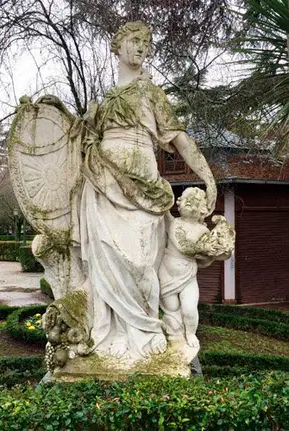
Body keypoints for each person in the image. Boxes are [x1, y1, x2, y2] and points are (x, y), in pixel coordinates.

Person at [79, 22, 216, 360]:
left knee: (141, 262)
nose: (142, 48)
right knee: (106, 257)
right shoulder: (107, 100)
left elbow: (179, 138)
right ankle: (112, 334)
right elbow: (84, 143)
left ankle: (143, 329)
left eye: (146, 43)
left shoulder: (151, 93)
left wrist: (208, 176)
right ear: (118, 45)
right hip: (104, 182)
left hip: (142, 180)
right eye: (135, 41)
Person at [160, 187, 234, 349]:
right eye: (186, 199)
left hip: (188, 275)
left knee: (189, 309)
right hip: (167, 274)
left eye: (194, 200)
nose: (189, 203)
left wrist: (218, 250)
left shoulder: (203, 230)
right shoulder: (174, 223)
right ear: (179, 204)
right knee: (171, 308)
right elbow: (184, 246)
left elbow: (208, 257)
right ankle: (175, 333)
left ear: (203, 209)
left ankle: (190, 333)